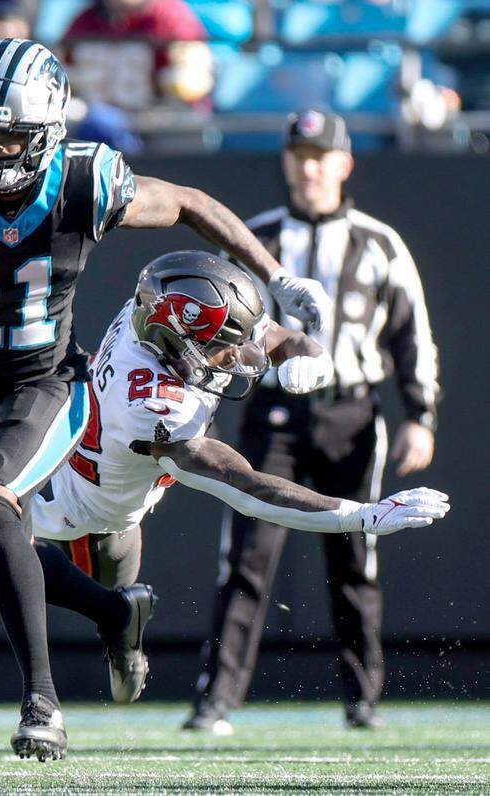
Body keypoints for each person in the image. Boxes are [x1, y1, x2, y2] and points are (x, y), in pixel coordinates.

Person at [0, 38, 333, 761]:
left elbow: (190, 203)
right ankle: (116, 611)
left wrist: (275, 277)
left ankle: (40, 705)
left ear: (46, 134)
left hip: (46, 377)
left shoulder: (83, 181)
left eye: (7, 133)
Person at [26, 250, 449, 703]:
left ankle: (119, 620)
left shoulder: (153, 312)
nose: (237, 355)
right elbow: (249, 488)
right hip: (62, 503)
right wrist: (362, 515)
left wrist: (309, 352)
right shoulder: (153, 407)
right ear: (176, 342)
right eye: (221, 348)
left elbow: (270, 336)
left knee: (115, 576)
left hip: (115, 497)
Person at [184, 109, 443, 735]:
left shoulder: (379, 243)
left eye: (321, 154)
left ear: (344, 163)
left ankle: (362, 699)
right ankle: (216, 700)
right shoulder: (258, 240)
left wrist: (421, 415)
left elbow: (414, 336)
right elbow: (209, 329)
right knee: (248, 554)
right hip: (273, 414)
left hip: (353, 411)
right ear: (286, 162)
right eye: (299, 154)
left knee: (357, 553)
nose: (309, 167)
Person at [63, 0, 212, 111]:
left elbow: (194, 77)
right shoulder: (85, 20)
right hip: (97, 120)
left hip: (154, 122)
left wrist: (175, 81)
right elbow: (63, 69)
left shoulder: (171, 16)